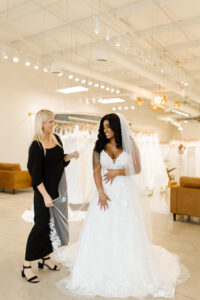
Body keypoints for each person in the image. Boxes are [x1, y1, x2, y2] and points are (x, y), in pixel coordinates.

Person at [57, 113, 184, 298]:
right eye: (103, 127)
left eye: (108, 126)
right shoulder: (99, 146)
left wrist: (118, 171)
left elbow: (138, 168)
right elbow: (96, 170)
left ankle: (130, 264)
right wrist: (100, 192)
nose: (105, 130)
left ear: (116, 127)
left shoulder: (130, 144)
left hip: (126, 193)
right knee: (102, 228)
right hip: (105, 192)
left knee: (128, 228)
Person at [21, 109, 79, 283]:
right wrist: (46, 196)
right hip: (43, 194)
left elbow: (59, 161)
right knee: (40, 227)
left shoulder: (56, 139)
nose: (53, 125)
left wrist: (70, 156)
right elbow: (36, 176)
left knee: (52, 226)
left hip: (58, 192)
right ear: (42, 124)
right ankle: (26, 266)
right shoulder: (36, 146)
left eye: (53, 121)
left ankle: (45, 258)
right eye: (50, 122)